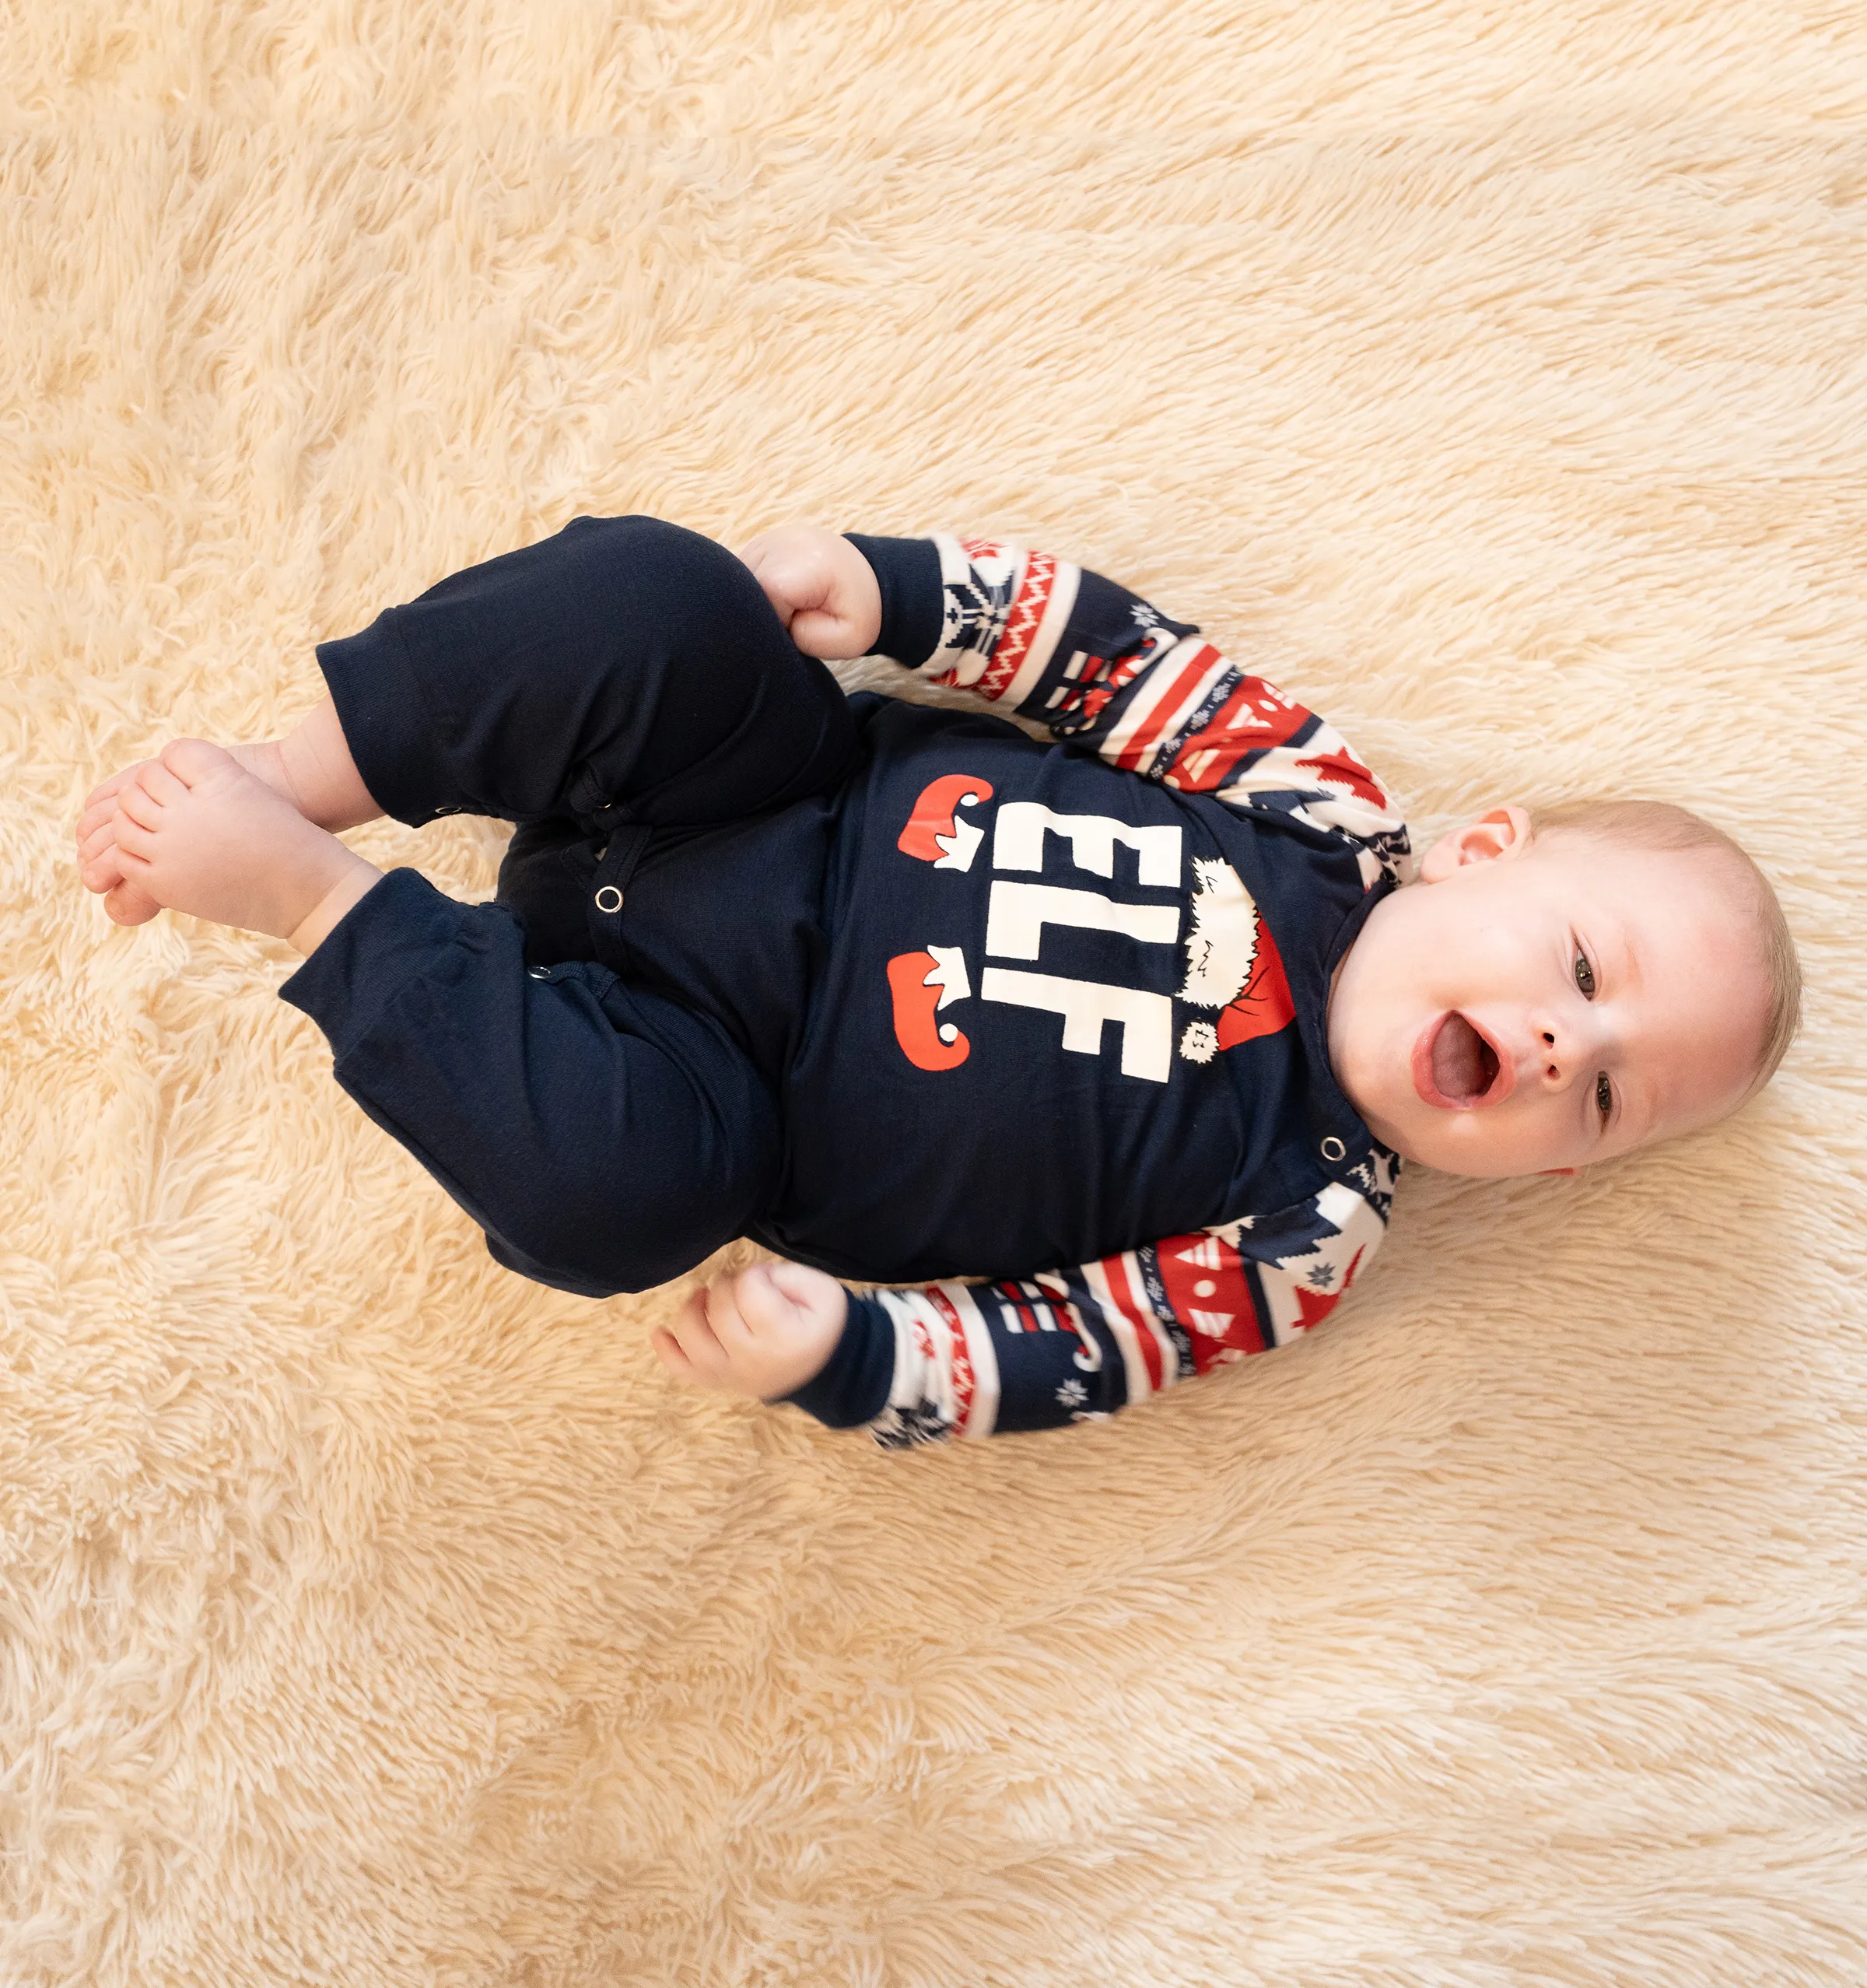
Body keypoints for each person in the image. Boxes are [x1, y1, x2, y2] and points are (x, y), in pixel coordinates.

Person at [72, 515, 1801, 1448]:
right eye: (1587, 968)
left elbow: (1069, 1349)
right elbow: (1123, 664)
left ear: (1560, 1167)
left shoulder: (1304, 1234)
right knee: (665, 597)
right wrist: (904, 592)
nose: (1571, 1039)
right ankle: (301, 776)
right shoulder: (1320, 808)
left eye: (1607, 1090)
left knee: (611, 1202)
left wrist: (851, 1356)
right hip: (756, 791)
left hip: (693, 1075)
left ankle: (312, 897)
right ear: (1481, 848)